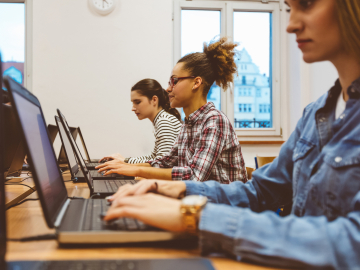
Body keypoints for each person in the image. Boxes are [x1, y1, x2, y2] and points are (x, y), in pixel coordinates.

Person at [102, 0, 360, 268]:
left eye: (306, 4)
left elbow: (352, 243)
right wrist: (175, 187)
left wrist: (193, 215)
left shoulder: (214, 120)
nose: (291, 24)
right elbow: (260, 191)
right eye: (289, 7)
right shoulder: (315, 113)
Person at [97, 38, 247, 183]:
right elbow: (165, 162)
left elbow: (194, 176)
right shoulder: (188, 124)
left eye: (174, 81)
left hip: (225, 206)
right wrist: (126, 166)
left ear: (196, 82)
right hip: (200, 201)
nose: (168, 88)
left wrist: (136, 170)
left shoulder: (214, 120)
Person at [100, 79, 182, 164]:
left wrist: (125, 161)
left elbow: (161, 164)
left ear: (154, 100)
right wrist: (125, 160)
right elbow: (153, 157)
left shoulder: (165, 121)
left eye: (137, 102)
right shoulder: (161, 119)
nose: (133, 108)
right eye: (133, 103)